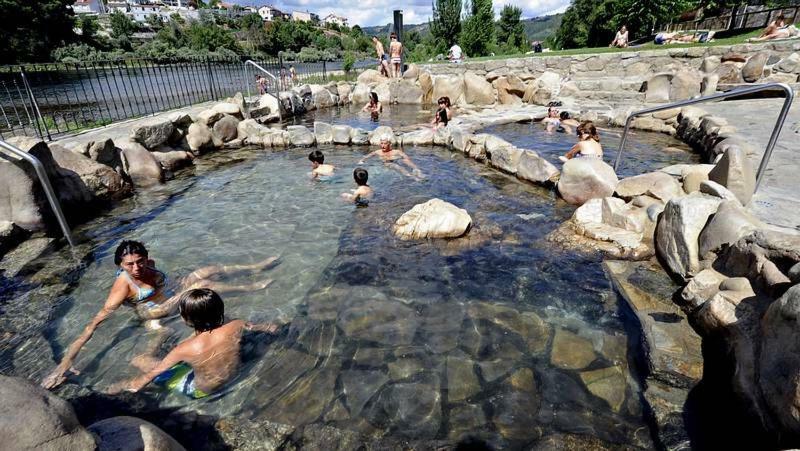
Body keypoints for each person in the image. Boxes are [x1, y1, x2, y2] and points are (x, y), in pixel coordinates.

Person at [41, 240, 279, 389]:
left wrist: (183, 284)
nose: (137, 268)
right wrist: (64, 363)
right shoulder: (121, 288)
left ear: (146, 257)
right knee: (203, 285)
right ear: (120, 266)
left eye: (140, 261)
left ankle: (254, 268)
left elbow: (168, 284)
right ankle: (250, 287)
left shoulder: (150, 265)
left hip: (173, 299)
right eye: (129, 265)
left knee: (207, 271)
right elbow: (92, 326)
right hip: (156, 316)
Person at [107, 288, 281, 398]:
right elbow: (267, 328)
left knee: (139, 359)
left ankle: (161, 335)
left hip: (199, 390)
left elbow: (154, 373)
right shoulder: (237, 324)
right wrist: (274, 328)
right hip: (231, 376)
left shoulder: (184, 349)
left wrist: (134, 385)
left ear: (186, 319)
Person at [358, 138, 423, 178]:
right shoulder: (377, 152)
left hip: (397, 161)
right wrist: (361, 161)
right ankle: (411, 176)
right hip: (388, 164)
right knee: (393, 165)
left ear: (390, 144)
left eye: (385, 144)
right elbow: (366, 157)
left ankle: (417, 170)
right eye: (381, 143)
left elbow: (406, 157)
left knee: (405, 160)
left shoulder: (396, 151)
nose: (383, 146)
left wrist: (399, 158)